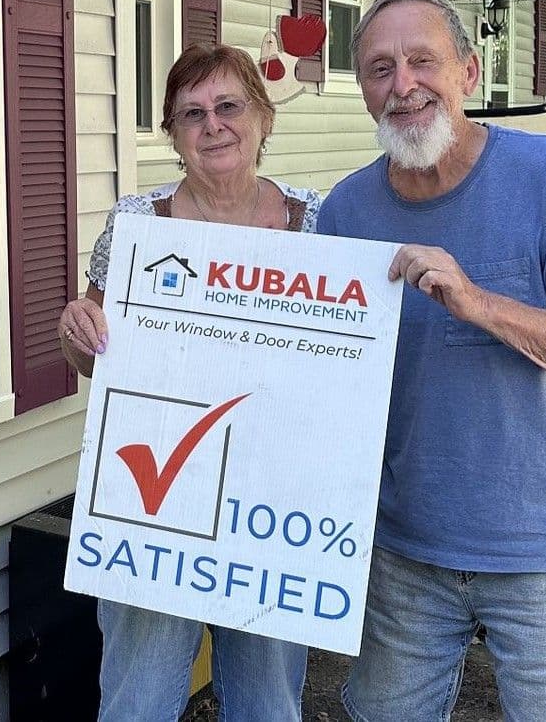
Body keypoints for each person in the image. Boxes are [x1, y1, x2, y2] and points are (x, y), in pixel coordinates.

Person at [316, 0, 546, 721]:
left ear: (467, 72)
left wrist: (476, 301)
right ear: (363, 91)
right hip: (405, 550)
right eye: (379, 69)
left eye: (422, 60)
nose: (403, 85)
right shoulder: (344, 214)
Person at [58, 44, 322, 720]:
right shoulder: (138, 224)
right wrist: (77, 331)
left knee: (267, 700)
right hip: (156, 496)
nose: (213, 125)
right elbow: (95, 358)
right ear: (174, 134)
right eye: (192, 114)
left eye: (229, 106)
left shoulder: (318, 225)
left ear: (262, 117)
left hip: (273, 503)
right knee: (138, 699)